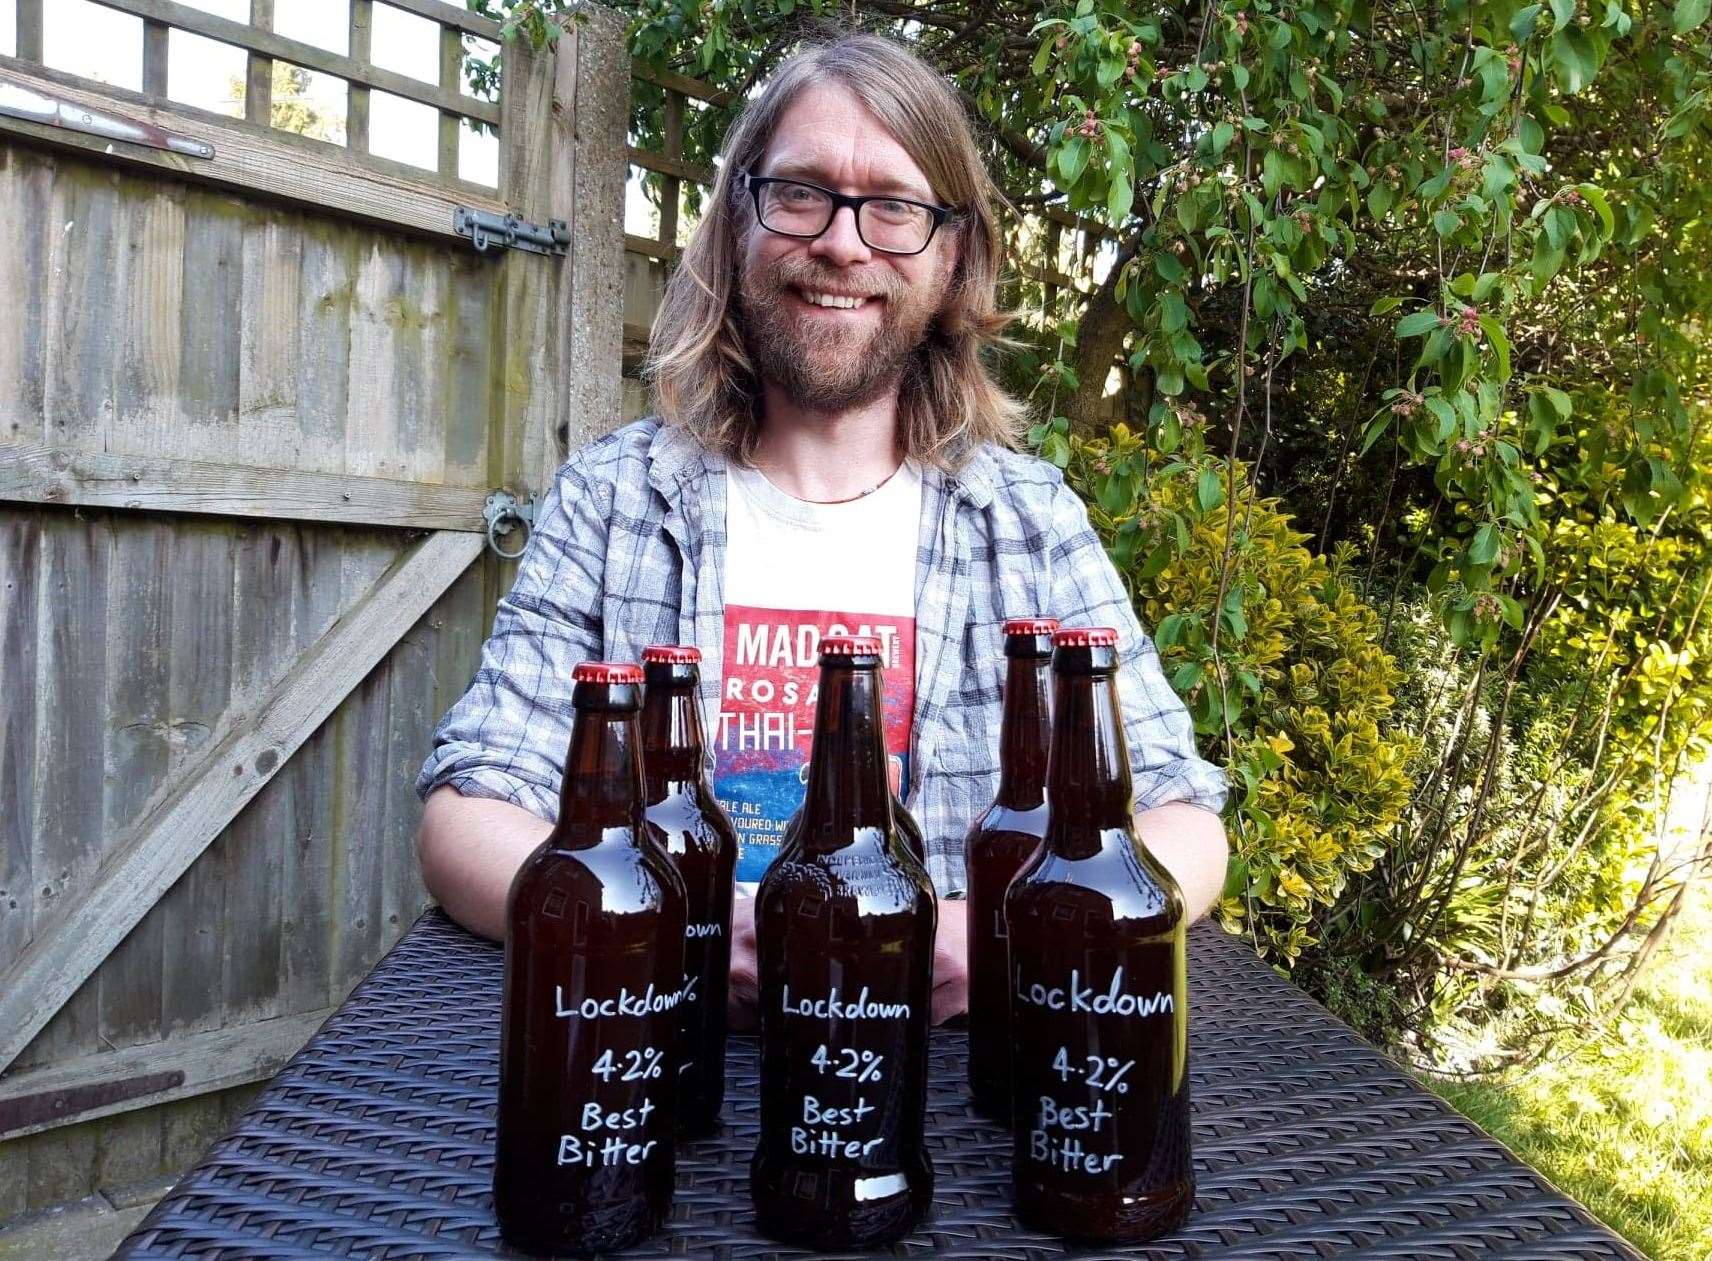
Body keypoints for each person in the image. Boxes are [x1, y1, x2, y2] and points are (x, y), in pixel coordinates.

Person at [414, 31, 1229, 1028]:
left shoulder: (1028, 523)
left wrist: (1010, 936)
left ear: (951, 253)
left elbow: (1183, 821)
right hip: (655, 1068)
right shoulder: (614, 501)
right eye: (801, 191)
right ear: (738, 222)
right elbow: (465, 816)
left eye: (892, 206)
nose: (842, 243)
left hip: (954, 1090)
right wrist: (681, 928)